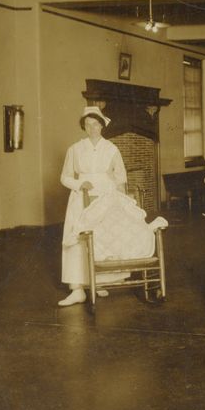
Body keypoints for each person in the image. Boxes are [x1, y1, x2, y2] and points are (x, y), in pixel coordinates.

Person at [58, 106, 127, 306]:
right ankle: (77, 288)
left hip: (105, 197)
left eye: (95, 124)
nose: (92, 128)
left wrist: (120, 201)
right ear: (84, 127)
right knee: (78, 238)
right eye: (87, 125)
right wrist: (80, 184)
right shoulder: (75, 149)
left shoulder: (112, 149)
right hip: (81, 198)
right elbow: (64, 177)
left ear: (102, 125)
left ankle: (100, 281)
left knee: (103, 238)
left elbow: (120, 177)